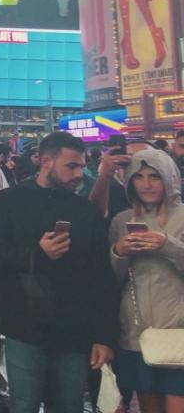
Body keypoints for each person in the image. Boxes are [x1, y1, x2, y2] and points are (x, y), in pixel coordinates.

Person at [0, 132, 118, 413]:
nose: (79, 174)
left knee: (69, 405)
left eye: (82, 166)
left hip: (74, 330)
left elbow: (101, 277)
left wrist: (104, 336)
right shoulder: (8, 201)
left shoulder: (85, 211)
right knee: (24, 405)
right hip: (24, 328)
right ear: (45, 161)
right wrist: (37, 254)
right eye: (71, 166)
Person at [109, 149, 184, 411]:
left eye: (155, 176)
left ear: (169, 177)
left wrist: (168, 246)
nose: (147, 184)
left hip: (178, 332)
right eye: (138, 177)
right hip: (136, 335)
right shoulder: (122, 221)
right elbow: (113, 281)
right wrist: (119, 252)